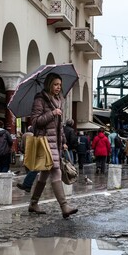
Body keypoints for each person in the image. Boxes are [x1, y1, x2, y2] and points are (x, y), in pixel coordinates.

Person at [27, 73, 78, 218]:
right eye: (55, 84)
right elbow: (35, 121)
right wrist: (52, 113)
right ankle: (64, 206)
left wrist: (63, 141)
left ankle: (33, 203)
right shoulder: (40, 99)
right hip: (45, 143)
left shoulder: (58, 100)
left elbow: (59, 126)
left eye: (60, 85)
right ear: (49, 84)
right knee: (56, 171)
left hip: (55, 142)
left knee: (44, 174)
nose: (58, 87)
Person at [16, 125, 39, 192]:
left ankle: (27, 185)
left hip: (28, 153)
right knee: (38, 172)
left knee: (34, 169)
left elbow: (22, 146)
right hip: (37, 153)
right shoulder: (34, 135)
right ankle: (28, 186)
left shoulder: (25, 135)